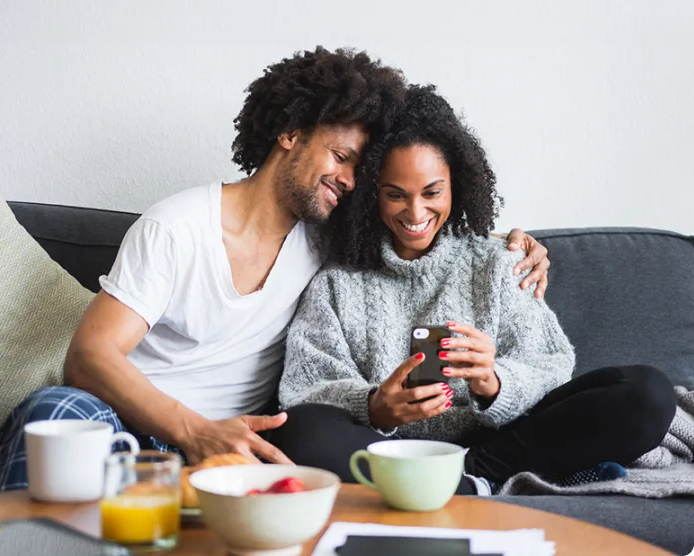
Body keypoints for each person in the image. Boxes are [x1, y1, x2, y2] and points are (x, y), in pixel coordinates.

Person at [0, 50, 550, 492]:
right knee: (52, 413)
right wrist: (192, 430)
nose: (350, 180)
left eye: (360, 168)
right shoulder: (178, 229)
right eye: (341, 156)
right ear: (291, 133)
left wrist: (511, 243)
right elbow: (89, 357)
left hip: (239, 450)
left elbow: (421, 227)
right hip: (132, 425)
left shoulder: (329, 236)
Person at [272, 84, 677, 494]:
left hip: (497, 444)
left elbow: (551, 364)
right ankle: (468, 486)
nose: (415, 213)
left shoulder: (499, 262)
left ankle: (469, 477)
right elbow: (304, 389)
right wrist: (375, 406)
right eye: (396, 195)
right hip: (387, 449)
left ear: (456, 185)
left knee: (649, 395)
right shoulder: (337, 283)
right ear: (371, 194)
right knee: (300, 431)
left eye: (432, 192)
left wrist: (494, 382)